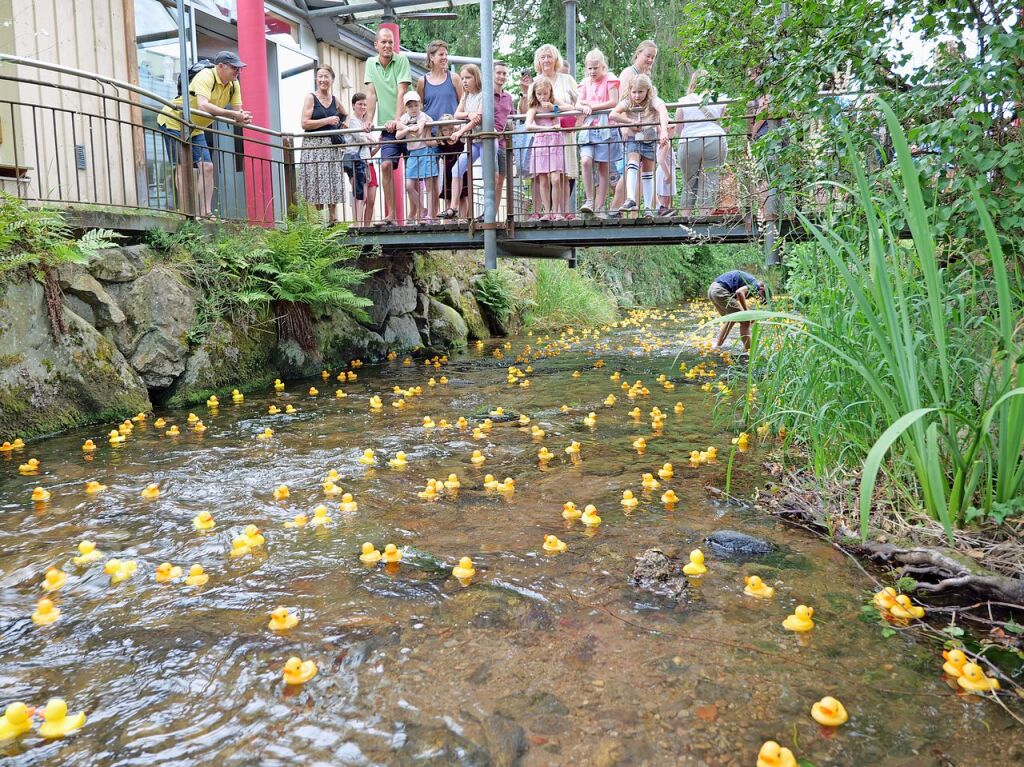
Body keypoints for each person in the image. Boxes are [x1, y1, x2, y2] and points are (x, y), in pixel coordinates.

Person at [157, 51, 253, 218]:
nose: (237, 72)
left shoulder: (233, 84)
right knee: (183, 166)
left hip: (195, 127)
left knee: (207, 167)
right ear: (220, 66)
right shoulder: (206, 76)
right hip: (173, 121)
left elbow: (237, 112)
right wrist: (233, 115)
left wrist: (242, 118)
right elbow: (203, 105)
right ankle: (186, 212)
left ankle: (205, 212)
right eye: (234, 68)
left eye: (239, 68)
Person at [363, 27, 412, 224]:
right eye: (383, 42)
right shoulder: (370, 63)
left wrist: (398, 120)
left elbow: (402, 91)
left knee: (415, 172)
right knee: (384, 165)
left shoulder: (401, 60)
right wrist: (368, 119)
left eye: (390, 42)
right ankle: (391, 214)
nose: (387, 45)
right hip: (387, 127)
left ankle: (417, 216)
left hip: (407, 123)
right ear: (376, 45)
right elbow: (372, 95)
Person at [534, 45, 587, 218]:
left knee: (564, 173)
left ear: (556, 59)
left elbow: (577, 103)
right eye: (543, 57)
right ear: (538, 60)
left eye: (550, 56)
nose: (546, 60)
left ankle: (564, 210)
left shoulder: (567, 79)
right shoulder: (536, 82)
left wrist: (577, 121)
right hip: (544, 134)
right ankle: (548, 211)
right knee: (545, 175)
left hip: (564, 131)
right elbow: (529, 108)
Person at [609, 74, 669, 215]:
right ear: (630, 91)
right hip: (633, 138)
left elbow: (663, 110)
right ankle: (630, 199)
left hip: (649, 138)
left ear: (647, 91)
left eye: (640, 92)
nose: (637, 95)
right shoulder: (628, 102)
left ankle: (648, 208)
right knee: (632, 163)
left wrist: (664, 131)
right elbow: (613, 114)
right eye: (634, 92)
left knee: (648, 172)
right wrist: (630, 122)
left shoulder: (652, 101)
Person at [612, 41, 658, 212]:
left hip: (646, 132)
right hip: (630, 130)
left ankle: (640, 210)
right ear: (638, 53)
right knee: (629, 170)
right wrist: (625, 128)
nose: (650, 60)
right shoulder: (629, 73)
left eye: (653, 57)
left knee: (642, 172)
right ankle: (615, 211)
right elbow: (624, 101)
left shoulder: (646, 76)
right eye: (647, 56)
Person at [416, 40, 462, 213]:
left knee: (455, 175)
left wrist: (458, 128)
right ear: (431, 57)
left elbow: (462, 103)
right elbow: (421, 107)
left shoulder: (454, 78)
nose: (445, 57)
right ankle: (433, 216)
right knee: (432, 178)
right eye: (441, 54)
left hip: (453, 136)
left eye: (446, 54)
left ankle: (456, 213)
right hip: (433, 138)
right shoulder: (422, 81)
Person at [675, 69, 728, 216]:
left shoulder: (684, 101)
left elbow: (679, 128)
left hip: (689, 142)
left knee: (689, 181)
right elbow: (727, 126)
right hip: (714, 140)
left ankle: (685, 219)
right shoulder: (721, 98)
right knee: (710, 181)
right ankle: (706, 217)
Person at [298, 65, 347, 224]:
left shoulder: (335, 99)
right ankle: (318, 221)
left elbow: (345, 115)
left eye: (326, 76)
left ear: (332, 79)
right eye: (320, 76)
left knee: (332, 179)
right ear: (316, 79)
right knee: (316, 180)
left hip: (331, 146)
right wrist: (327, 121)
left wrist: (341, 125)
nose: (323, 80)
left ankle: (334, 218)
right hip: (314, 146)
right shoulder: (310, 97)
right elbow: (304, 123)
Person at [576, 48, 619, 216]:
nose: (593, 71)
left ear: (603, 67)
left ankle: (599, 206)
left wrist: (591, 106)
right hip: (589, 128)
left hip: (606, 128)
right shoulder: (585, 82)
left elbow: (613, 101)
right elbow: (578, 103)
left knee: (603, 167)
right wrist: (584, 106)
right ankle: (589, 199)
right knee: (586, 161)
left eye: (596, 68)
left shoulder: (610, 80)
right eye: (590, 68)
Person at [440, 64, 484, 221]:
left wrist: (459, 132)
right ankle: (452, 207)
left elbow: (477, 119)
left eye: (468, 77)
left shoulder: (483, 95)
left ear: (476, 78)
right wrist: (469, 113)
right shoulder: (466, 96)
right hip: (473, 141)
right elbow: (457, 114)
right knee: (456, 169)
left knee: (487, 174)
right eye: (463, 78)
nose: (464, 81)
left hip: (485, 139)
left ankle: (488, 210)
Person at [525, 75, 570, 220]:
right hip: (541, 143)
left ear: (550, 92)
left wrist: (553, 108)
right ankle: (547, 212)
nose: (542, 96)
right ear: (535, 94)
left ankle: (557, 211)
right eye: (539, 94)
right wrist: (542, 128)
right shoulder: (534, 106)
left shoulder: (553, 103)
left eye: (545, 93)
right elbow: (528, 125)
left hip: (555, 142)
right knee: (543, 179)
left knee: (556, 178)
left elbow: (570, 108)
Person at [395, 91, 436, 223]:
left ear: (420, 105)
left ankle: (429, 215)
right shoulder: (404, 118)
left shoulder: (424, 116)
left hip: (425, 151)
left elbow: (419, 132)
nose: (413, 108)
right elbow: (397, 136)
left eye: (415, 105)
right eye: (410, 106)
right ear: (406, 107)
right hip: (413, 153)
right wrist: (406, 129)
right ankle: (422, 208)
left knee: (429, 186)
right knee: (409, 186)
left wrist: (415, 126)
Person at [708, 269, 766, 351]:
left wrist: (743, 311)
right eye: (761, 297)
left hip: (712, 289)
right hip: (720, 290)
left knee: (731, 319)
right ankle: (750, 351)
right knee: (745, 320)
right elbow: (739, 292)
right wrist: (746, 312)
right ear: (762, 289)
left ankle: (717, 346)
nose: (759, 298)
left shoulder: (751, 283)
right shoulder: (756, 285)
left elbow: (736, 297)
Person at [345, 92, 378, 226]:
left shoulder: (363, 123)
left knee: (367, 196)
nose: (363, 107)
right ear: (353, 106)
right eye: (360, 104)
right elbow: (359, 137)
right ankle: (357, 225)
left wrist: (374, 142)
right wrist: (370, 138)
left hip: (366, 160)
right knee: (359, 194)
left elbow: (369, 146)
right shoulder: (353, 120)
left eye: (365, 104)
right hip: (356, 161)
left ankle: (364, 226)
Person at [491, 62, 515, 216]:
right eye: (499, 73)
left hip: (504, 143)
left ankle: (493, 213)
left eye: (504, 73)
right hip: (490, 142)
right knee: (492, 178)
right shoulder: (486, 95)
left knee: (501, 180)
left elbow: (512, 118)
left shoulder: (508, 97)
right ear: (492, 74)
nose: (501, 76)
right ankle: (488, 213)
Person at [437, 114, 469, 219]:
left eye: (451, 128)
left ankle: (464, 219)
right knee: (448, 197)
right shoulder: (441, 142)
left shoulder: (460, 139)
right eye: (445, 130)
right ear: (441, 131)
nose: (449, 132)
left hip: (461, 170)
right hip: (448, 172)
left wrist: (459, 129)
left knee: (463, 196)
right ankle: (449, 220)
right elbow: (428, 141)